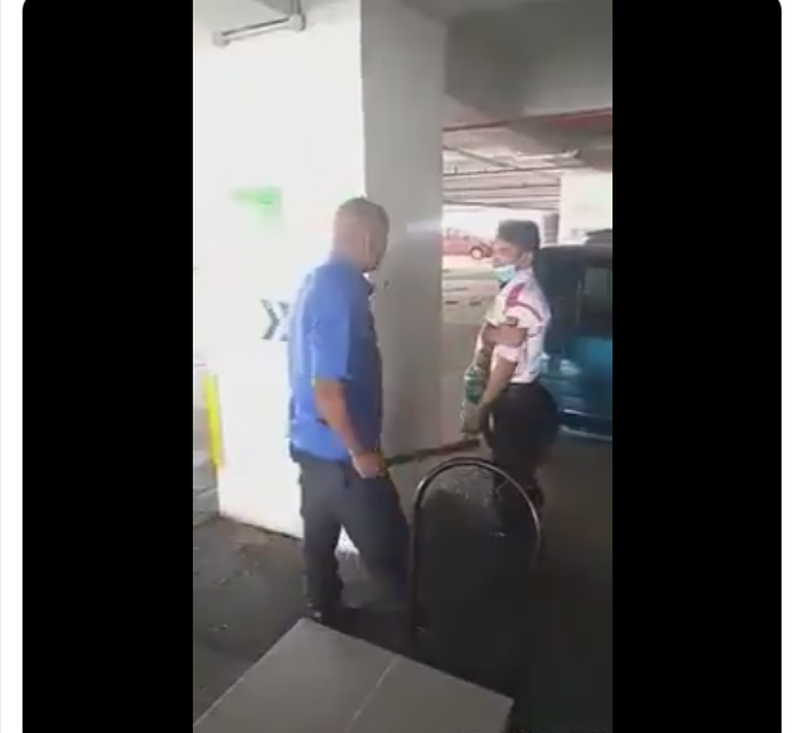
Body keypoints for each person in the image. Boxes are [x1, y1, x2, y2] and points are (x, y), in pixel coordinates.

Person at [286, 197, 409, 626]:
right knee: (389, 545)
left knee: (318, 541)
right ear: (368, 237)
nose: (383, 251)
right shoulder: (340, 292)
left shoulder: (315, 283)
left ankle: (323, 610)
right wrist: (360, 453)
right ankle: (405, 638)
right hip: (342, 455)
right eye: (383, 241)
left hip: (309, 445)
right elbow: (327, 389)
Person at [461, 220, 559, 511]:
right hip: (519, 395)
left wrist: (482, 407)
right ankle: (525, 519)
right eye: (495, 249)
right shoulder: (514, 289)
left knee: (509, 477)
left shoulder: (520, 297)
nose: (496, 257)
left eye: (505, 251)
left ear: (526, 257)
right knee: (517, 469)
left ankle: (517, 536)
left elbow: (506, 360)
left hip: (514, 397)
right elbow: (495, 332)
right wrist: (491, 333)